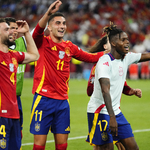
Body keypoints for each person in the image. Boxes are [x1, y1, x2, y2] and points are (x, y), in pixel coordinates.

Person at [86, 23, 150, 150]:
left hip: (116, 112)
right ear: (114, 44)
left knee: (133, 148)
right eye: (123, 40)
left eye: (127, 39)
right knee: (107, 148)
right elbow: (105, 91)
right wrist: (111, 117)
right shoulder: (104, 62)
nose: (127, 42)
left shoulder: (126, 57)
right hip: (99, 112)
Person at [30, 1, 105, 150]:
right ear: (49, 27)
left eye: (64, 23)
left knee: (62, 146)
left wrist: (111, 54)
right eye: (57, 23)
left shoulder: (69, 47)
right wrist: (48, 14)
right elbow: (37, 31)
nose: (62, 26)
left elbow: (90, 57)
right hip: (43, 99)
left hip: (63, 102)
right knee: (39, 146)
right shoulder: (41, 42)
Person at [0, 16, 39, 150]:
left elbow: (35, 55)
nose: (12, 31)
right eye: (7, 29)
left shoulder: (13, 55)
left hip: (14, 114)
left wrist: (26, 33)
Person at [86, 35, 142, 150]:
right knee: (105, 146)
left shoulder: (118, 61)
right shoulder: (100, 65)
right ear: (106, 46)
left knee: (120, 145)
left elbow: (122, 85)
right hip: (102, 110)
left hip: (115, 110)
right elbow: (89, 91)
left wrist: (131, 91)